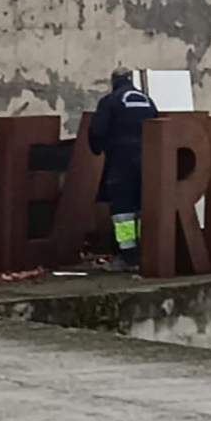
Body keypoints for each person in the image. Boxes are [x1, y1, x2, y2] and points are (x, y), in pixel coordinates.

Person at [88, 67, 159, 273]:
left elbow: (97, 131)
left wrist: (98, 148)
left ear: (114, 81)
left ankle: (128, 256)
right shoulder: (148, 101)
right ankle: (148, 253)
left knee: (122, 212)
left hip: (121, 162)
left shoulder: (110, 101)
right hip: (149, 161)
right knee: (143, 206)